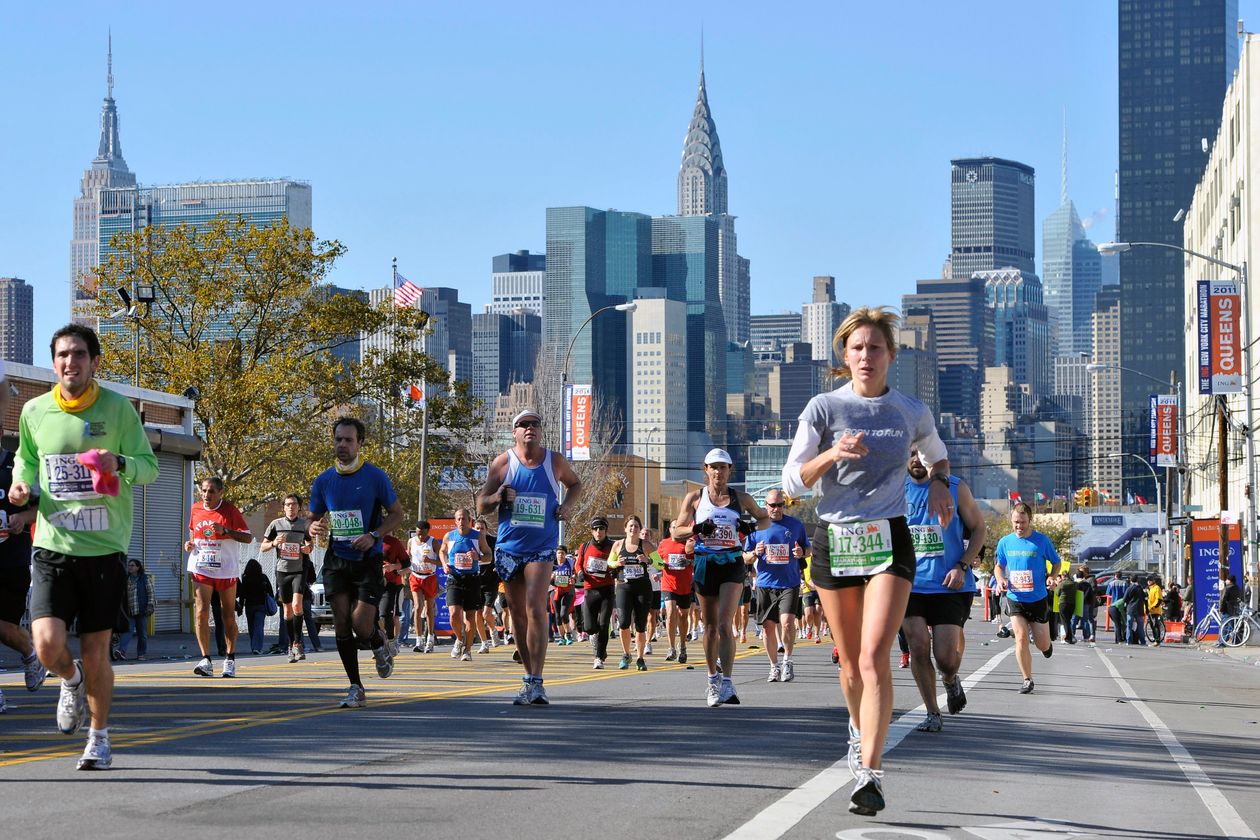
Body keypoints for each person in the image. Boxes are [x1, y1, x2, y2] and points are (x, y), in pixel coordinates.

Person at [781, 306, 951, 816]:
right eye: (856, 348)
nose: (865, 356)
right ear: (845, 356)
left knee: (876, 655)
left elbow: (937, 451)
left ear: (890, 356)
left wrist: (940, 482)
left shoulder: (910, 411)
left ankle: (870, 774)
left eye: (875, 348)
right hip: (835, 538)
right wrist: (833, 454)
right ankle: (857, 731)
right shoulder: (823, 408)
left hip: (889, 539)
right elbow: (792, 482)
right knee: (851, 662)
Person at [11, 324, 158, 769]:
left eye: (78, 354)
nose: (69, 363)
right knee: (46, 645)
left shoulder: (117, 410)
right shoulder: (35, 410)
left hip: (104, 549)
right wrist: (22, 483)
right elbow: (28, 456)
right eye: (61, 355)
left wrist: (120, 462)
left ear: (94, 362)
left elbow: (149, 468)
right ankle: (69, 679)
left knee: (96, 651)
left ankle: (98, 737)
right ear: (53, 362)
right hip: (53, 545)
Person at [477, 409, 582, 705]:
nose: (529, 428)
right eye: (523, 424)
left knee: (536, 608)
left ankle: (538, 679)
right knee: (518, 616)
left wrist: (566, 507)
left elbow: (576, 485)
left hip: (542, 546)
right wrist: (497, 497)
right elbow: (481, 504)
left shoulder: (554, 461)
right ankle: (528, 678)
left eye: (534, 424)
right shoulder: (502, 463)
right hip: (509, 549)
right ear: (514, 432)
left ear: (540, 430)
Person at [308, 416, 406, 708]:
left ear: (360, 443)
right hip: (337, 559)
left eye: (348, 440)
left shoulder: (375, 477)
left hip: (367, 559)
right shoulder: (324, 480)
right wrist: (312, 527)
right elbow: (312, 518)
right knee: (340, 623)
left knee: (361, 622)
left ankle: (378, 643)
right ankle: (355, 686)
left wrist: (373, 534)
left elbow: (397, 514)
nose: (342, 445)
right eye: (338, 439)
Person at [674, 448, 769, 708]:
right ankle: (712, 679)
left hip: (731, 562)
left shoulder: (741, 498)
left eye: (723, 467)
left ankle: (727, 682)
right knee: (711, 627)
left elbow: (765, 520)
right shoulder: (695, 498)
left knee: (726, 626)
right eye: (713, 467)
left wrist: (750, 526)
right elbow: (676, 532)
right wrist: (696, 528)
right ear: (705, 470)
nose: (718, 472)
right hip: (705, 562)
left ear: (729, 471)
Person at [901, 450, 985, 733]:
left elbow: (979, 529)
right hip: (910, 586)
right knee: (917, 646)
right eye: (910, 454)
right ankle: (932, 712)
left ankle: (950, 680)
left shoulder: (956, 487)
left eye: (921, 454)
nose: (915, 459)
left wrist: (962, 566)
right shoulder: (894, 491)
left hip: (950, 584)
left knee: (946, 659)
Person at [0, 360, 47, 713]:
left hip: (11, 561)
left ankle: (30, 653)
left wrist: (22, 518)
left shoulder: (13, 468)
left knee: (3, 628)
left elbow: (43, 508)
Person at [185, 477, 252, 678]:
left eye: (212, 491)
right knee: (201, 612)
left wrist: (226, 531)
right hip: (201, 566)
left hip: (226, 569)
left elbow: (248, 537)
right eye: (204, 490)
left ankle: (230, 659)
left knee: (227, 615)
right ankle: (205, 659)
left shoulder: (230, 511)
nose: (207, 495)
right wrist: (190, 544)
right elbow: (192, 530)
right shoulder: (196, 508)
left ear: (221, 492)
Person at [744, 488, 809, 683]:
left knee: (788, 622)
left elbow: (808, 548)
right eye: (772, 505)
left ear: (784, 505)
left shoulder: (795, 525)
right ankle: (774, 666)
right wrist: (755, 552)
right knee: (768, 628)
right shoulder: (756, 528)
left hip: (789, 582)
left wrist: (801, 552)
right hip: (765, 583)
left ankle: (787, 661)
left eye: (780, 505)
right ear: (766, 505)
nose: (776, 509)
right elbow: (745, 557)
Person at [993, 503, 1058, 694]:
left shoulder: (1041, 541)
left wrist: (1052, 577)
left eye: (1022, 522)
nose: (1018, 526)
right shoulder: (1005, 542)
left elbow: (1056, 562)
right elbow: (999, 566)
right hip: (1015, 597)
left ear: (1030, 520)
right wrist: (1000, 579)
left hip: (1038, 598)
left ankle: (1046, 646)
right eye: (1015, 522)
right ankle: (1027, 679)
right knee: (1021, 638)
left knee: (1042, 644)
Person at [259, 494, 313, 662]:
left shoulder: (304, 525)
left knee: (297, 605)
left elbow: (311, 545)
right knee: (287, 609)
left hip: (300, 569)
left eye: (294, 504)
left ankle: (297, 643)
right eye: (288, 504)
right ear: (283, 507)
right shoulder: (276, 524)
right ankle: (291, 645)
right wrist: (274, 543)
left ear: (299, 507)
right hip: (282, 571)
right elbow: (263, 547)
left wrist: (307, 549)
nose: (291, 507)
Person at [440, 508, 489, 661]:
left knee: (470, 617)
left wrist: (478, 557)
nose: (461, 522)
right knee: (454, 615)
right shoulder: (449, 536)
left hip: (472, 579)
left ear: (470, 521)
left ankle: (467, 650)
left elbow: (489, 556)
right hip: (454, 578)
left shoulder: (478, 536)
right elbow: (442, 551)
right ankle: (459, 640)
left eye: (464, 519)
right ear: (455, 521)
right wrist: (444, 564)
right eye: (458, 519)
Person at [610, 515, 657, 671]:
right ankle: (625, 654)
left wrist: (647, 560)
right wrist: (617, 563)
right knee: (623, 623)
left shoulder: (647, 545)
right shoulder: (618, 545)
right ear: (625, 528)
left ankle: (640, 658)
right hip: (624, 587)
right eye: (630, 526)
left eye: (636, 526)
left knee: (640, 625)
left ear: (639, 529)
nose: (633, 529)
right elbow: (609, 562)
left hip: (642, 587)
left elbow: (661, 564)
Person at [576, 517, 616, 669]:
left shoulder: (613, 546)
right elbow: (578, 563)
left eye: (601, 529)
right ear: (592, 531)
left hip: (607, 589)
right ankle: (596, 639)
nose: (598, 532)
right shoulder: (584, 546)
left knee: (604, 624)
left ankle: (599, 657)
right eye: (595, 529)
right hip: (590, 589)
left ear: (606, 531)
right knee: (589, 627)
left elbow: (617, 562)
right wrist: (579, 572)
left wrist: (615, 571)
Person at [656, 522, 695, 663]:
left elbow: (695, 559)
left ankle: (683, 646)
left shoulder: (688, 544)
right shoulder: (663, 544)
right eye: (673, 527)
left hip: (684, 586)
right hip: (668, 585)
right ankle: (671, 647)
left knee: (683, 616)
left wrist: (689, 562)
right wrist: (659, 566)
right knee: (671, 612)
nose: (676, 530)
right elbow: (656, 560)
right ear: (670, 530)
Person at [407, 522, 440, 653]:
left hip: (429, 577)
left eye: (422, 533)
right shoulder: (411, 541)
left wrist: (430, 561)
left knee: (429, 609)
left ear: (428, 531)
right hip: (415, 576)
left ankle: (430, 639)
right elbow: (407, 556)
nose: (419, 536)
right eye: (417, 533)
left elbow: (443, 560)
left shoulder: (433, 542)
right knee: (417, 606)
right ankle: (419, 640)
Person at [114, 559, 153, 661]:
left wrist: (150, 605)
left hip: (141, 611)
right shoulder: (126, 578)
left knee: (142, 634)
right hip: (129, 611)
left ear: (138, 567)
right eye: (129, 565)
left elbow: (150, 593)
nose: (130, 567)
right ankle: (122, 651)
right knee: (126, 631)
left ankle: (141, 654)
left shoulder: (144, 578)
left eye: (132, 565)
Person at [237, 558, 274, 655]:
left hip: (249, 606)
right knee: (259, 627)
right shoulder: (263, 577)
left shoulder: (245, 578)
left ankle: (254, 646)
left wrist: (240, 607)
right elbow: (270, 591)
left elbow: (242, 594)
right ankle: (257, 647)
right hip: (261, 605)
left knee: (251, 627)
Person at [380, 531, 409, 654]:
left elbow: (407, 564)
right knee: (375, 616)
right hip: (372, 583)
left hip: (392, 583)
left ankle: (393, 640)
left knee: (390, 615)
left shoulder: (394, 543)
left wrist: (392, 567)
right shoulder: (367, 540)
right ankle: (382, 642)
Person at [552, 546, 577, 644]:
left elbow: (575, 573)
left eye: (562, 553)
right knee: (558, 616)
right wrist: (551, 577)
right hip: (555, 590)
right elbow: (546, 578)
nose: (560, 555)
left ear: (565, 554)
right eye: (558, 553)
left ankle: (569, 634)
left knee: (563, 613)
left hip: (568, 590)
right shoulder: (552, 564)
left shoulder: (570, 562)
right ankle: (562, 637)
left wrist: (574, 578)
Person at [1123, 575, 1148, 646]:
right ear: (1137, 580)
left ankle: (1129, 641)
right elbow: (1145, 598)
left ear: (1131, 580)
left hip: (1130, 609)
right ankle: (1143, 641)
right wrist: (1147, 608)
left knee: (1129, 626)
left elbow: (1124, 599)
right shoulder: (1140, 589)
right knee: (1140, 626)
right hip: (1139, 609)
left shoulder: (1129, 588)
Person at [1057, 571, 1078, 644]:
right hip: (1072, 603)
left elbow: (1057, 593)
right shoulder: (1074, 584)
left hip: (1063, 603)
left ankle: (1068, 638)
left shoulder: (1062, 584)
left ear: (1063, 576)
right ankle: (1070, 636)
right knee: (1068, 620)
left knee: (1064, 621)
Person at [1106, 573, 1128, 644]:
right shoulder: (1124, 583)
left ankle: (1117, 638)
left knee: (1116, 623)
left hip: (1114, 604)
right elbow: (1126, 593)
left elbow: (1108, 593)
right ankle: (1123, 637)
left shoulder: (1111, 583)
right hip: (1122, 604)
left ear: (1115, 576)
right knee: (1123, 622)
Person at [1146, 575, 1164, 646]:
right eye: (1148, 580)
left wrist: (1153, 607)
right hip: (1150, 611)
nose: (1148, 582)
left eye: (1150, 580)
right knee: (1152, 626)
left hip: (1155, 611)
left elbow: (1159, 600)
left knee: (1155, 625)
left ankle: (1157, 641)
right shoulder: (1149, 589)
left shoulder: (1157, 588)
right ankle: (1155, 640)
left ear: (1153, 581)